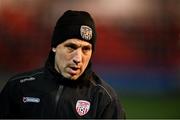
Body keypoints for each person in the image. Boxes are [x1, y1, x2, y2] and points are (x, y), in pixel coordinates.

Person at [0, 10, 126, 119]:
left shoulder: (104, 99)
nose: (78, 58)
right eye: (71, 47)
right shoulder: (18, 88)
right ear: (54, 47)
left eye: (86, 49)